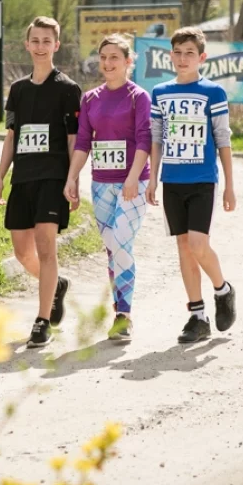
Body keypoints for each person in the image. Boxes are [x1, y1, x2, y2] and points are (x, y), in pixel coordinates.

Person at [0, 16, 82, 348]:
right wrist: (0, 176)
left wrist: (73, 179)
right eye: (36, 41)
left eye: (48, 41)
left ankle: (42, 320)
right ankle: (55, 285)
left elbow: (75, 140)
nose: (41, 47)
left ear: (56, 45)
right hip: (23, 178)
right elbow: (11, 137)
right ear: (27, 45)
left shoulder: (68, 89)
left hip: (53, 177)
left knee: (46, 246)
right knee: (21, 252)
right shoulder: (17, 90)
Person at [146, 27, 237, 344]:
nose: (183, 59)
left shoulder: (213, 93)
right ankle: (197, 316)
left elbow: (223, 139)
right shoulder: (160, 93)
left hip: (202, 181)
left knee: (198, 244)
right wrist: (153, 177)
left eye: (189, 53)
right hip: (172, 181)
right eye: (177, 53)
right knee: (183, 247)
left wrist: (229, 184)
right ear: (170, 56)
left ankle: (223, 290)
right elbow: (156, 138)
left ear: (201, 58)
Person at [63, 34, 151, 342]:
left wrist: (132, 177)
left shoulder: (138, 96)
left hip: (133, 183)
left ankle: (124, 314)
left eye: (115, 57)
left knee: (121, 242)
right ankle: (120, 310)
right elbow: (84, 142)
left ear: (128, 62)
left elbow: (144, 139)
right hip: (101, 184)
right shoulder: (90, 99)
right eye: (103, 57)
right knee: (112, 248)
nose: (107, 63)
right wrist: (72, 177)